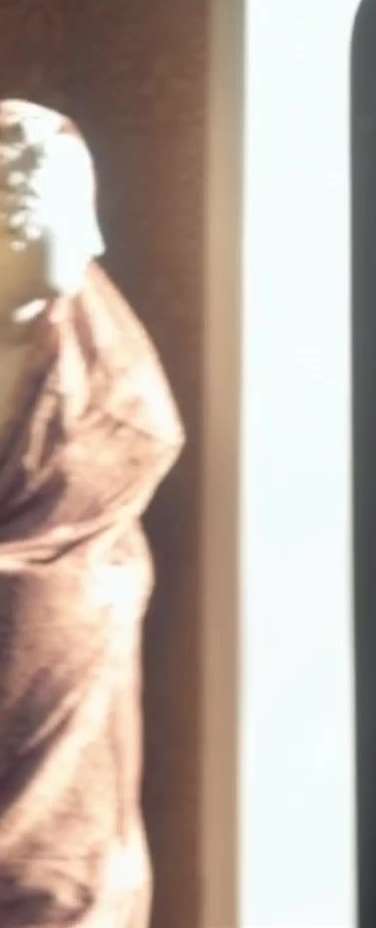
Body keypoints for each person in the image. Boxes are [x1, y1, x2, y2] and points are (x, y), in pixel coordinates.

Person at [0, 99, 182, 926]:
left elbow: (133, 445)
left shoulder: (110, 383)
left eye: (66, 209)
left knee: (62, 876)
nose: (89, 243)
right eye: (17, 205)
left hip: (69, 645)